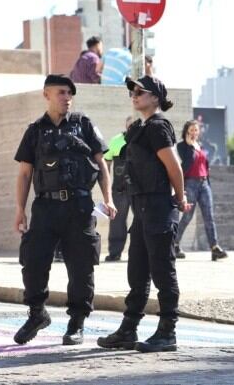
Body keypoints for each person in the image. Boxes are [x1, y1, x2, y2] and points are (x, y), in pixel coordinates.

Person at [12, 74, 116, 346]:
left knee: (81, 266)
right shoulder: (35, 130)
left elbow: (101, 164)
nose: (67, 97)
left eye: (70, 93)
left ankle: (77, 322)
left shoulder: (84, 125)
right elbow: (24, 174)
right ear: (46, 94)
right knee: (33, 261)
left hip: (79, 206)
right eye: (61, 92)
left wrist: (108, 198)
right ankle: (37, 313)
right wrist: (20, 210)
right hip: (45, 206)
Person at [97, 75, 190, 353]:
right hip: (141, 208)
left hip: (159, 206)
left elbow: (174, 166)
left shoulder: (159, 127)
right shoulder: (139, 127)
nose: (134, 95)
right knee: (136, 271)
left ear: (156, 97)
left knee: (162, 271)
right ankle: (128, 329)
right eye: (132, 92)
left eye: (140, 91)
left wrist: (180, 197)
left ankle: (167, 331)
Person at [174, 120, 228, 261]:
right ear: (186, 131)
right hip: (190, 183)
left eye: (196, 130)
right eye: (191, 130)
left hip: (204, 184)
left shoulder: (201, 146)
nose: (194, 132)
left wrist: (207, 183)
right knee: (187, 217)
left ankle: (214, 247)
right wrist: (191, 147)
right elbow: (186, 163)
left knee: (209, 216)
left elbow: (204, 165)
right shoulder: (182, 146)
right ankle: (174, 243)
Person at [103, 116, 133, 261]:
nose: (131, 127)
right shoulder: (116, 140)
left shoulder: (145, 139)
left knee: (141, 220)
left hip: (139, 188)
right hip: (119, 188)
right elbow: (106, 163)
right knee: (117, 221)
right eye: (129, 125)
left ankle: (139, 252)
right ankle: (114, 252)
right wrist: (106, 186)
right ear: (125, 126)